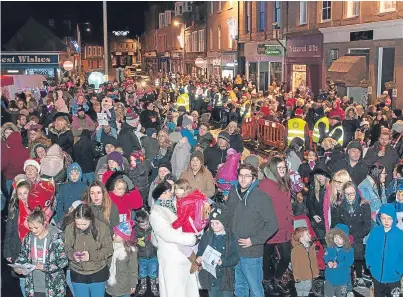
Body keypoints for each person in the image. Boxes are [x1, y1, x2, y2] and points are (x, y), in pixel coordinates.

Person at [225, 163, 279, 297]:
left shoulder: (261, 197)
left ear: (254, 178)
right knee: (239, 287)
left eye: (247, 176)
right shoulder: (233, 193)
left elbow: (273, 224)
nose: (243, 179)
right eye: (241, 175)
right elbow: (228, 217)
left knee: (255, 289)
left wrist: (254, 240)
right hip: (235, 250)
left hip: (251, 253)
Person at [149, 181, 199, 297]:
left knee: (187, 288)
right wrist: (191, 239)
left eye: (170, 191)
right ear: (159, 195)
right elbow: (168, 234)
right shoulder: (156, 213)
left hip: (184, 255)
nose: (170, 194)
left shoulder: (176, 205)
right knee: (174, 289)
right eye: (165, 192)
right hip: (171, 256)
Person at [14, 208, 68, 297]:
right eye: (31, 228)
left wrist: (46, 267)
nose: (34, 231)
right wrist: (19, 266)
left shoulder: (55, 238)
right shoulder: (28, 238)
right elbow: (22, 255)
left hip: (53, 286)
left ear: (44, 223)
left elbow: (63, 261)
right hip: (33, 286)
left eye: (36, 227)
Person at [259, 157, 293, 295]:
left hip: (284, 226)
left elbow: (287, 204)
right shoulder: (265, 185)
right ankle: (267, 281)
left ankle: (277, 279)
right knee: (266, 256)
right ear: (273, 168)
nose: (282, 170)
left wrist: (290, 218)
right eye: (279, 168)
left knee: (286, 256)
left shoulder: (284, 182)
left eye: (284, 167)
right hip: (270, 227)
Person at [64, 203, 113, 297]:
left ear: (91, 219)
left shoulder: (102, 228)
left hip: (98, 272)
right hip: (77, 272)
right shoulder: (70, 228)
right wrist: (72, 254)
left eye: (84, 224)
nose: (81, 227)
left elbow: (109, 249)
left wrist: (91, 256)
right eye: (77, 223)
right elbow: (66, 247)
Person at [331, 181, 371, 289]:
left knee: (358, 258)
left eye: (352, 193)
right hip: (344, 239)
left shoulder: (364, 206)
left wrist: (355, 236)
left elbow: (367, 226)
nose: (349, 196)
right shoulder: (339, 206)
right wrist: (342, 236)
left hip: (358, 239)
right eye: (347, 194)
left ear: (357, 193)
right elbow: (335, 223)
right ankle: (348, 280)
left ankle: (359, 276)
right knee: (346, 261)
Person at [196, 207, 240, 297]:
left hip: (226, 277)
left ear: (224, 223)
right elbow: (201, 250)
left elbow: (236, 257)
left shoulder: (231, 238)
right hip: (210, 277)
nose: (214, 225)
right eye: (211, 223)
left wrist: (223, 262)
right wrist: (199, 257)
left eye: (217, 223)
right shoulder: (207, 236)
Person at [365, 203, 403, 297]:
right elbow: (368, 250)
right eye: (383, 218)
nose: (386, 221)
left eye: (389, 218)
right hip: (377, 276)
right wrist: (370, 265)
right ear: (379, 217)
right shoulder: (375, 232)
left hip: (394, 277)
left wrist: (399, 270)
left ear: (394, 218)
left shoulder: (399, 235)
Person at [4, 181, 31, 297]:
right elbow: (8, 233)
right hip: (17, 249)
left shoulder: (35, 209)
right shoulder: (14, 211)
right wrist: (7, 253)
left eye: (25, 193)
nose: (23, 196)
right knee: (22, 280)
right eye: (20, 194)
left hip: (32, 250)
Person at [106, 220, 138, 297]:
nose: (113, 236)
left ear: (124, 237)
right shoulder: (110, 247)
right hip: (112, 285)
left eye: (116, 234)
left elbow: (133, 269)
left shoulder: (130, 251)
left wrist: (133, 284)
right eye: (114, 234)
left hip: (125, 286)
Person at [324, 224, 354, 297]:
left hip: (342, 280)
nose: (337, 240)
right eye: (335, 237)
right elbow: (326, 256)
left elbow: (349, 262)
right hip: (330, 279)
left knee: (341, 294)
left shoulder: (349, 250)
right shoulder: (330, 247)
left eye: (340, 238)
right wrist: (328, 262)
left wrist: (338, 264)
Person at [134, 210, 159, 296]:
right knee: (142, 272)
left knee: (153, 272)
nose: (145, 226)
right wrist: (136, 241)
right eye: (142, 225)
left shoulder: (152, 228)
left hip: (152, 255)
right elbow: (131, 240)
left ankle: (153, 286)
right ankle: (143, 286)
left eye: (146, 224)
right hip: (142, 256)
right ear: (138, 224)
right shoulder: (136, 230)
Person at [291, 227, 319, 297]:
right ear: (301, 238)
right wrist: (296, 276)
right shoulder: (296, 250)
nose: (310, 235)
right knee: (300, 292)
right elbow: (295, 265)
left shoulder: (311, 248)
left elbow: (314, 262)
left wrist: (315, 273)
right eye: (307, 234)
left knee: (307, 290)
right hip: (301, 277)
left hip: (309, 276)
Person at [358, 163, 387, 228]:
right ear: (377, 174)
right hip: (371, 224)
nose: (386, 175)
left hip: (381, 219)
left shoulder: (380, 185)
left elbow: (384, 204)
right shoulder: (364, 187)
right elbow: (367, 211)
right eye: (384, 173)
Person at [307, 162, 331, 238]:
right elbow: (309, 202)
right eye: (318, 174)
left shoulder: (331, 186)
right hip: (318, 219)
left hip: (329, 219)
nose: (320, 177)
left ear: (326, 175)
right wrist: (314, 214)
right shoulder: (313, 186)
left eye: (322, 174)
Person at [1, 131, 29, 195]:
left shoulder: (7, 152)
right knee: (22, 196)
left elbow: (4, 165)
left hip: (10, 179)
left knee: (11, 197)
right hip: (23, 177)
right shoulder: (26, 151)